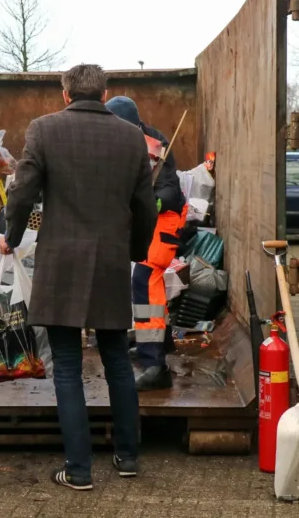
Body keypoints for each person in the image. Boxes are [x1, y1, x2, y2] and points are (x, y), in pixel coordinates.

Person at [0, 65, 158, 491]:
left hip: (62, 263)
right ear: (105, 94)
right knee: (117, 364)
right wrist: (136, 251)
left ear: (65, 92)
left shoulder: (44, 129)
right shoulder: (131, 137)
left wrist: (10, 237)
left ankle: (79, 469)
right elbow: (146, 206)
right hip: (109, 262)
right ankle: (127, 457)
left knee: (67, 367)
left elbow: (22, 191)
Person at [106, 96, 188, 391]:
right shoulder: (119, 141)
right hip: (147, 219)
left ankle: (155, 365)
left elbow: (168, 190)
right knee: (144, 281)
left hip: (166, 218)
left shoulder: (155, 143)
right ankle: (156, 342)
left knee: (145, 278)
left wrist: (147, 200)